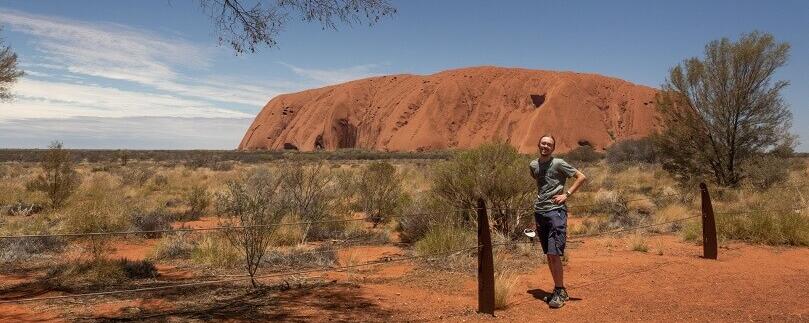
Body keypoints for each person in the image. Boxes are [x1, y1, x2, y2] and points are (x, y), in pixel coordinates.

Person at [529, 134, 587, 308]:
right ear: (538, 145)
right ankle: (558, 290)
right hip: (540, 211)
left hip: (556, 212)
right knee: (549, 254)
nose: (545, 146)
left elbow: (581, 177)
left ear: (553, 148)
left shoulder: (559, 163)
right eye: (543, 143)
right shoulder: (533, 165)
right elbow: (540, 183)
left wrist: (566, 195)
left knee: (554, 253)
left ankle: (560, 291)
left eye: (549, 144)